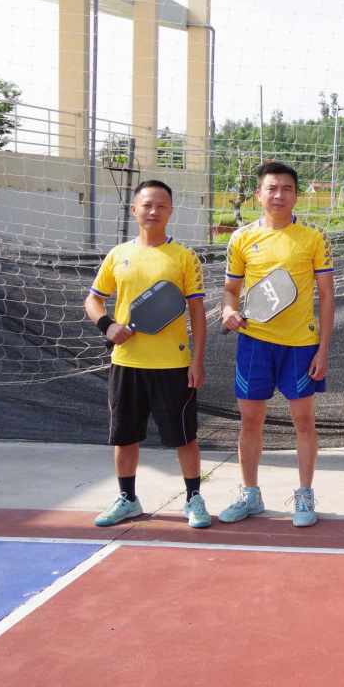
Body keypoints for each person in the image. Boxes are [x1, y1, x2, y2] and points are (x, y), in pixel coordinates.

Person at [86, 180, 210, 528]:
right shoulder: (118, 255)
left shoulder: (184, 256)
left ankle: (193, 499)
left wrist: (197, 360)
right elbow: (93, 300)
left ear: (170, 211)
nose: (153, 211)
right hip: (126, 364)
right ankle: (127, 499)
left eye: (161, 206)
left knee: (184, 438)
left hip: (174, 365)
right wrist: (108, 325)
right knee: (124, 437)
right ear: (134, 210)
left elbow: (197, 312)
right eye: (146, 205)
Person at [218, 160, 335, 528]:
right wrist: (228, 311)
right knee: (251, 421)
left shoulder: (314, 237)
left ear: (296, 195)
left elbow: (326, 297)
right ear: (259, 194)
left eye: (286, 188)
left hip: (301, 346)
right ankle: (250, 494)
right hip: (254, 344)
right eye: (272, 188)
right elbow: (230, 291)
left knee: (304, 421)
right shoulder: (241, 238)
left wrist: (323, 349)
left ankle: (304, 494)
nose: (279, 194)